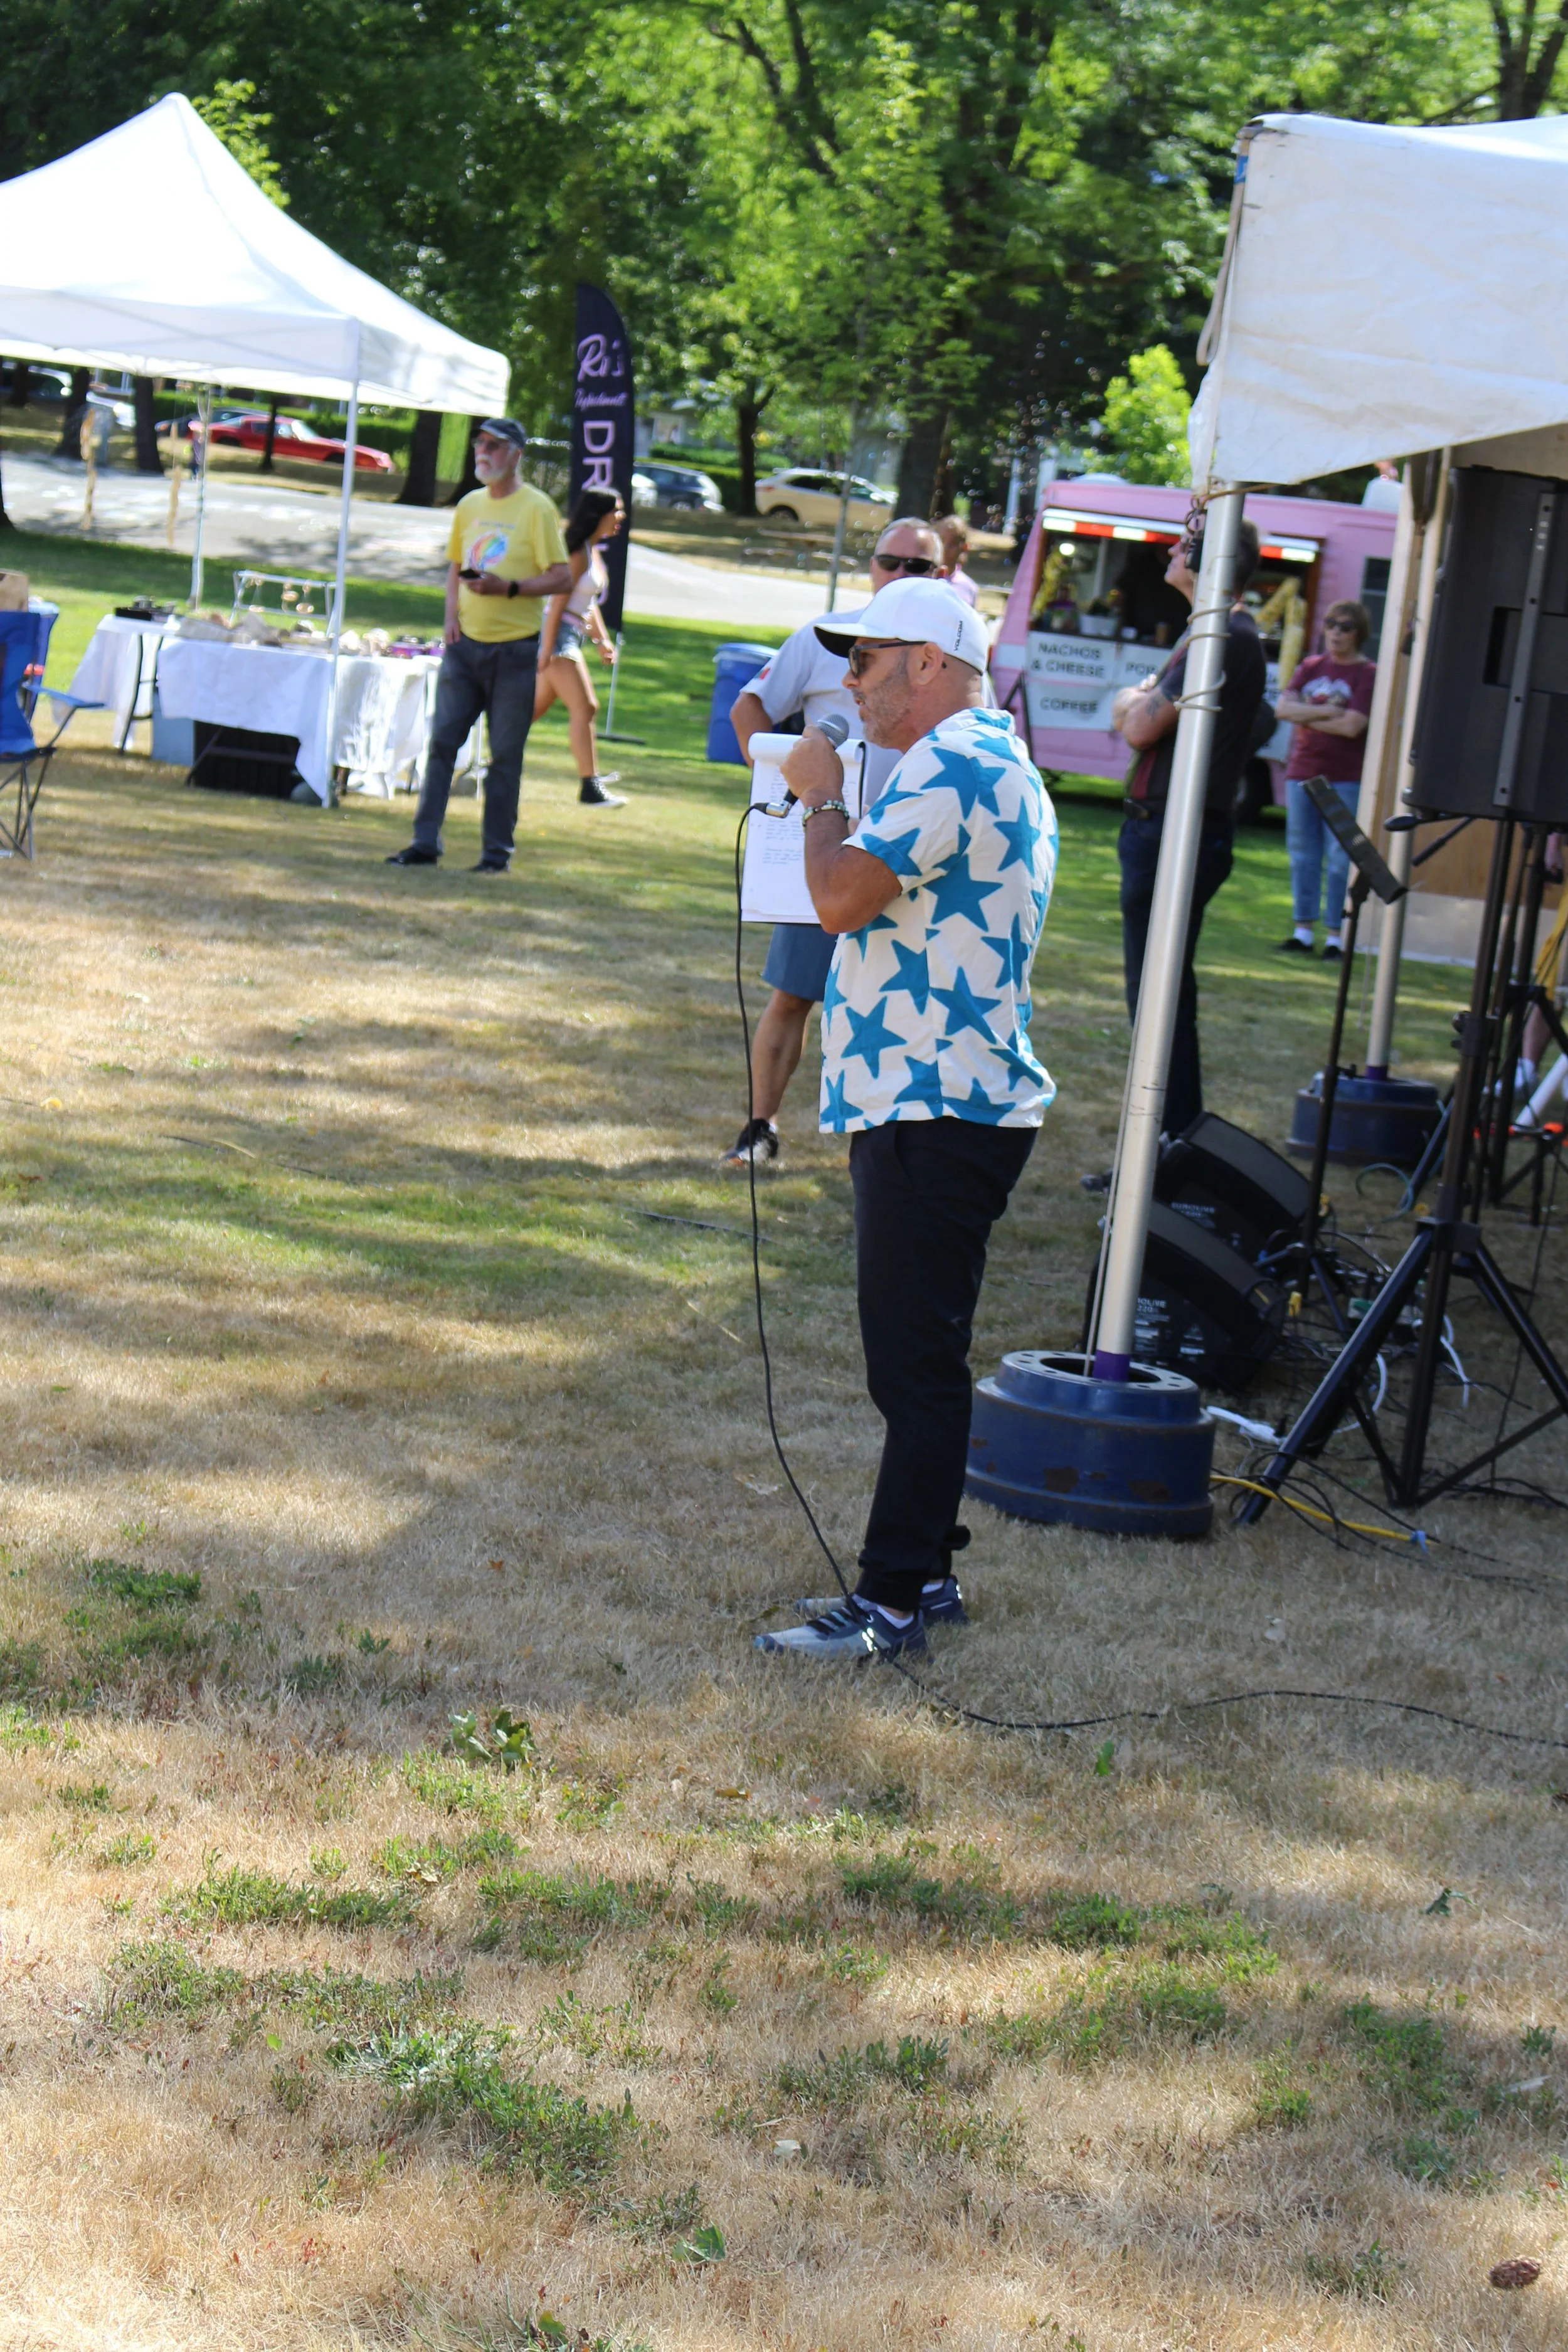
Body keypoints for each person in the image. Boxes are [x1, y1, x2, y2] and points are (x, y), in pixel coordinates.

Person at [753, 579, 1057, 1661]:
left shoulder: (958, 764)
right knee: (918, 1359)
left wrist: (823, 790)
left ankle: (888, 1604)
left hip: (941, 1104)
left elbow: (838, 900)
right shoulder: (971, 758)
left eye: (868, 660)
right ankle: (924, 1582)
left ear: (928, 664)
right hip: (942, 1098)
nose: (848, 681)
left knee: (915, 1368)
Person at [720, 516, 946, 1167]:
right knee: (793, 991)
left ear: (943, 575)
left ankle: (889, 1145)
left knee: (902, 997)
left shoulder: (943, 653)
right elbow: (749, 707)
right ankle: (759, 1127)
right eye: (890, 561)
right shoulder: (825, 636)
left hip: (909, 849)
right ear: (871, 565)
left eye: (920, 567)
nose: (901, 575)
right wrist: (775, 791)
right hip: (829, 841)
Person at [1107, 514, 1265, 1145]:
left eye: (1184, 544)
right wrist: (1138, 700)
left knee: (1158, 1004)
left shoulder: (1220, 637)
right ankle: (1170, 1149)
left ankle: (1167, 1154)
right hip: (1171, 832)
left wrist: (1136, 697)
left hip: (1177, 835)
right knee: (1162, 1001)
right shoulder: (1218, 633)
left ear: (1208, 561)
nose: (1171, 550)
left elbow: (1138, 724)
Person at [387, 419, 570, 873]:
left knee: (505, 757)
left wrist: (508, 589)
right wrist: (451, 617)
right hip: (465, 648)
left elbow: (562, 576)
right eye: (479, 444)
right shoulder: (469, 505)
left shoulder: (538, 509)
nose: (482, 452)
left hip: (515, 653)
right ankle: (424, 843)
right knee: (442, 745)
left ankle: (495, 855)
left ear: (516, 456)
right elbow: (455, 568)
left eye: (493, 446)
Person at [1274, 600, 1376, 960]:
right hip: (1302, 772)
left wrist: (1307, 716)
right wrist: (1327, 711)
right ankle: (1303, 931)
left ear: (1359, 633)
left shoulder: (1367, 674)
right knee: (1302, 853)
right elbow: (1282, 709)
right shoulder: (1310, 666)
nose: (1336, 632)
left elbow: (1353, 726)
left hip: (1345, 778)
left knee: (1339, 857)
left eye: (1345, 627)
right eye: (1331, 624)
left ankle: (1336, 936)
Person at [535, 488, 627, 808]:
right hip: (558, 638)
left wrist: (602, 641)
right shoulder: (577, 554)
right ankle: (590, 787)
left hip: (569, 637)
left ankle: (491, 765)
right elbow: (557, 605)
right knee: (586, 707)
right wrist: (546, 651)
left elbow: (588, 605)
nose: (621, 518)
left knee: (526, 713)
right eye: (616, 511)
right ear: (598, 515)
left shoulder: (593, 552)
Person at [935, 513, 979, 608]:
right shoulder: (923, 579)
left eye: (952, 544)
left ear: (964, 548)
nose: (945, 549)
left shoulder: (968, 587)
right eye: (941, 541)